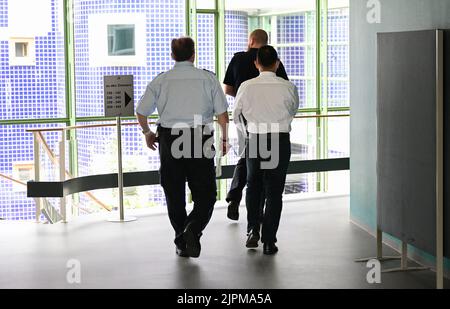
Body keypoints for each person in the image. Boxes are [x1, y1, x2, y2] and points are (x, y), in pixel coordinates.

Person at [136, 37, 229, 258]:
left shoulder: (161, 80)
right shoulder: (208, 78)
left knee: (174, 191)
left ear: (172, 55)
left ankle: (181, 238)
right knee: (206, 193)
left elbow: (141, 111)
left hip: (169, 138)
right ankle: (192, 230)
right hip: (200, 136)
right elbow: (223, 115)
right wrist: (225, 139)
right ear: (193, 54)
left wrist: (148, 133)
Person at [233, 45, 299, 255]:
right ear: (277, 63)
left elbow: (236, 114)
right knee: (274, 192)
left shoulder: (246, 86)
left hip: (256, 139)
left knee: (253, 186)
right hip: (279, 140)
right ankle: (269, 241)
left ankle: (253, 229)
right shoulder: (288, 86)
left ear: (256, 63)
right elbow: (293, 110)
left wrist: (247, 133)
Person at [223, 29, 289, 222]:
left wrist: (247, 101)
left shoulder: (238, 59)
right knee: (260, 165)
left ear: (251, 40)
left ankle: (235, 197)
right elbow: (283, 88)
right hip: (271, 124)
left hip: (245, 118)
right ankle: (257, 213)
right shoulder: (275, 62)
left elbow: (227, 88)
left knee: (249, 157)